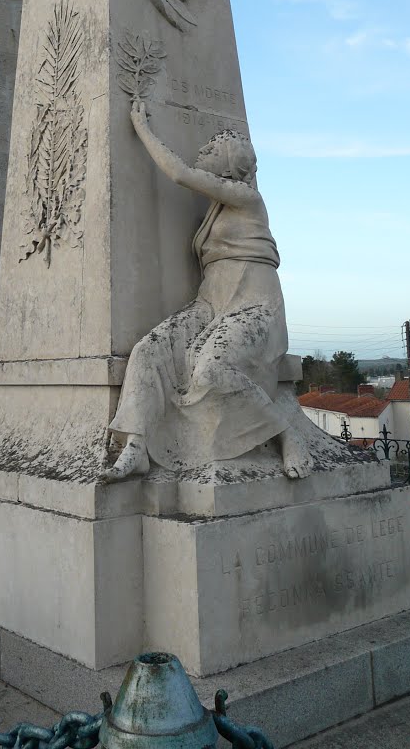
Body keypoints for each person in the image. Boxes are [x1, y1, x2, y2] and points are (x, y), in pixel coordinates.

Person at [104, 100, 313, 481]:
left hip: (254, 307)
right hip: (211, 303)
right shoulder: (216, 210)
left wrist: (143, 129)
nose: (202, 151)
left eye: (211, 149)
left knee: (212, 368)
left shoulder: (248, 198)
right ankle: (136, 445)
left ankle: (285, 433)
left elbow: (181, 174)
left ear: (229, 165)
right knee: (148, 349)